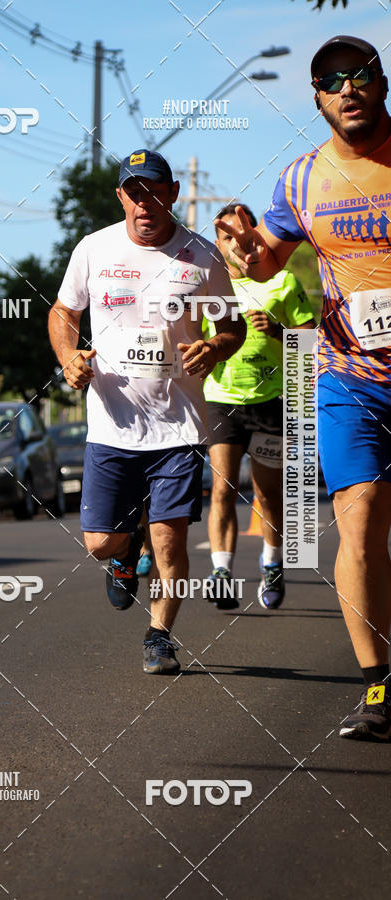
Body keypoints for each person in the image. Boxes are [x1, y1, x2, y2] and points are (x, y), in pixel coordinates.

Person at [215, 36, 391, 740]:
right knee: (361, 513)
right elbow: (266, 259)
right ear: (317, 98)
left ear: (381, 83)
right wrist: (242, 250)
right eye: (331, 81)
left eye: (360, 76)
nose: (347, 88)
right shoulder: (299, 182)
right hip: (350, 376)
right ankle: (378, 686)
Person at [48, 148, 245, 674]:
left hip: (178, 425)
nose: (145, 202)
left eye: (155, 191)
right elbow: (64, 312)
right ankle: (122, 551)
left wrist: (218, 345)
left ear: (173, 193)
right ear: (121, 197)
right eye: (134, 192)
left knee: (170, 538)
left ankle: (160, 635)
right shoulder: (94, 249)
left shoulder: (202, 256)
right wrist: (69, 357)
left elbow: (233, 326)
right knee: (99, 541)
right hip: (112, 422)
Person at [204, 204, 316, 611]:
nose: (236, 244)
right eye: (227, 237)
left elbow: (308, 345)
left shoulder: (283, 282)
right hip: (222, 399)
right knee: (222, 487)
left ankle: (272, 562)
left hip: (271, 401)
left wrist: (280, 330)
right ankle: (221, 572)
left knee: (268, 495)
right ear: (218, 243)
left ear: (257, 238)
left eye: (243, 236)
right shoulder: (210, 288)